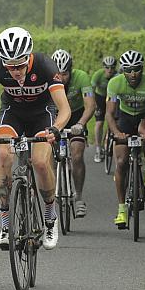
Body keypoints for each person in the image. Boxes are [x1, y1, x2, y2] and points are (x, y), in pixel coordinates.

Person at [0, 27, 71, 250]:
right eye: (10, 67)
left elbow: (64, 108)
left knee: (40, 162)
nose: (16, 71)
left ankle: (50, 218)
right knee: (3, 155)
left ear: (28, 57)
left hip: (42, 114)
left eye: (19, 65)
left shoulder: (45, 65)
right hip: (13, 113)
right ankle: (5, 225)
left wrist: (56, 128)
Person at [105, 49, 145, 228]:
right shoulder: (115, 83)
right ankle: (121, 209)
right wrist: (116, 132)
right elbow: (109, 113)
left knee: (144, 131)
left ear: (142, 68)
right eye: (128, 70)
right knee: (121, 162)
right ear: (122, 70)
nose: (133, 74)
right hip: (125, 118)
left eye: (137, 69)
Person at [51, 49, 95, 218]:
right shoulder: (47, 78)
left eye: (65, 74)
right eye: (58, 74)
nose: (61, 78)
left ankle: (79, 197)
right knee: (49, 155)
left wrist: (81, 124)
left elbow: (90, 105)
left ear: (71, 71)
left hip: (76, 117)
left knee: (77, 155)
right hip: (55, 116)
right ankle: (53, 190)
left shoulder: (81, 77)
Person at [90, 56, 118, 162]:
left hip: (113, 99)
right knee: (99, 122)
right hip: (100, 98)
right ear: (103, 67)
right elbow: (91, 90)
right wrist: (93, 103)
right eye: (107, 67)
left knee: (113, 121)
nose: (109, 70)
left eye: (112, 67)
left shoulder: (117, 76)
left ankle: (107, 140)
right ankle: (98, 148)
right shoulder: (98, 75)